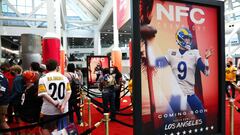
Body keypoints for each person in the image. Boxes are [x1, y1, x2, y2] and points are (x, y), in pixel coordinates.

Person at [148, 27, 212, 124]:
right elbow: (156, 63)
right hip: (176, 96)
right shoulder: (171, 53)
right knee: (167, 123)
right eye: (186, 38)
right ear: (180, 39)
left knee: (202, 118)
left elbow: (206, 73)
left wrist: (206, 60)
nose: (188, 41)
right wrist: (148, 46)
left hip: (190, 94)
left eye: (189, 38)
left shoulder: (194, 53)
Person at [38, 59, 71, 134]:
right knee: (63, 129)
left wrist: (55, 104)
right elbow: (68, 92)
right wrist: (63, 105)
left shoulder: (43, 78)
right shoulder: (64, 78)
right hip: (63, 109)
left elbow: (43, 93)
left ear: (46, 68)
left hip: (49, 110)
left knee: (46, 128)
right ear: (57, 67)